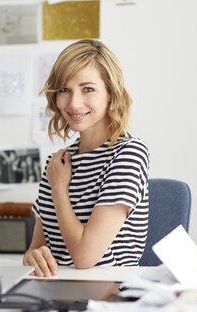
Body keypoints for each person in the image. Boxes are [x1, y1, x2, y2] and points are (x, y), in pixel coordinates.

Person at [23, 39, 150, 277]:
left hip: (108, 295)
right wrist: (33, 257)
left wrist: (59, 189)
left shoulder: (129, 153)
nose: (74, 103)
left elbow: (84, 257)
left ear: (111, 94)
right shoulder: (57, 163)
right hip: (57, 291)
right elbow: (37, 248)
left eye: (88, 89)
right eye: (65, 90)